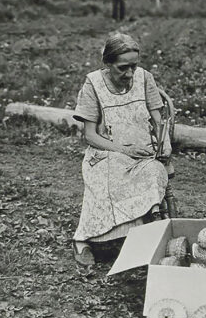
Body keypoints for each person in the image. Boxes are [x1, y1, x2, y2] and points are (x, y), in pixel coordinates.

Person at [71, 33, 171, 266]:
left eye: (133, 66)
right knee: (111, 173)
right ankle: (83, 239)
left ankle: (146, 232)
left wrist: (163, 145)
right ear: (108, 64)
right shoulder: (93, 84)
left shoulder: (145, 78)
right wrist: (123, 150)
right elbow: (90, 135)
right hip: (106, 151)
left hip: (143, 152)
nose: (129, 74)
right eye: (122, 68)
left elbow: (159, 121)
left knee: (154, 171)